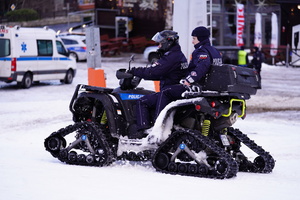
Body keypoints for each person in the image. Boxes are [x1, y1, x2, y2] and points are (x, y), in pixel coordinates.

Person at [131, 26, 222, 139]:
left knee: (161, 94)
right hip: (207, 87)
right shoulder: (214, 51)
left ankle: (157, 127)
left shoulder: (200, 51)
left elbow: (202, 67)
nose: (192, 41)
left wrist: (189, 80)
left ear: (201, 38)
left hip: (196, 86)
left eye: (194, 38)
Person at [128, 30, 188, 139]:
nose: (159, 46)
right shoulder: (177, 55)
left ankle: (144, 131)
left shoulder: (171, 57)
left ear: (168, 42)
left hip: (170, 92)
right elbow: (159, 73)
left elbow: (155, 71)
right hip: (174, 89)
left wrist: (134, 71)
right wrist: (143, 73)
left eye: (160, 43)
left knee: (142, 101)